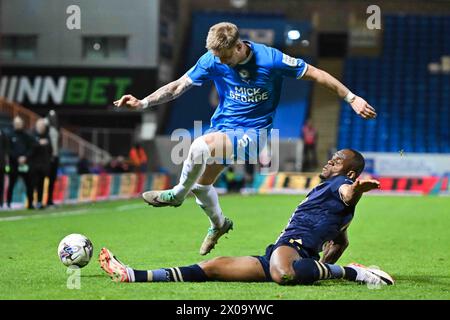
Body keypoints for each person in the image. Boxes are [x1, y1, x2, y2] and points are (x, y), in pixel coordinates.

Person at [113, 22, 377, 255]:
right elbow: (179, 85)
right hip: (223, 128)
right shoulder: (212, 59)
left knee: (197, 146)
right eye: (218, 57)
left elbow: (317, 73)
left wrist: (351, 98)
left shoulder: (271, 59)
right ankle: (219, 225)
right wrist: (143, 102)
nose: (222, 62)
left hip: (254, 134)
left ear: (239, 46)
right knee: (202, 186)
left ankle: (176, 194)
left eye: (226, 57)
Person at [99, 149, 394, 287]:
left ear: (350, 173)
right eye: (332, 157)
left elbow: (346, 194)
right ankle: (134, 275)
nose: (331, 161)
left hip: (291, 250)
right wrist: (324, 264)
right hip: (281, 252)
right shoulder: (333, 201)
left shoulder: (339, 186)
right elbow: (340, 238)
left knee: (286, 275)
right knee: (213, 267)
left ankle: (358, 273)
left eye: (338, 160)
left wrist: (358, 190)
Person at [6, 116, 35, 209]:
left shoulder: (27, 136)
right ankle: (8, 203)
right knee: (11, 184)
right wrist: (17, 158)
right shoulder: (9, 136)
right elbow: (8, 150)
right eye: (16, 123)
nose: (18, 124)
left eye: (19, 123)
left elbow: (31, 149)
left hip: (25, 164)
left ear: (22, 124)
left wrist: (25, 157)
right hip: (14, 164)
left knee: (29, 184)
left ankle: (30, 203)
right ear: (13, 124)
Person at [30, 118, 52, 209]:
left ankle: (39, 202)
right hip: (34, 165)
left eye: (43, 125)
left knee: (41, 185)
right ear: (36, 125)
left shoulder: (47, 136)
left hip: (43, 165)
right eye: (40, 125)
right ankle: (30, 202)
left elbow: (50, 150)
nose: (41, 127)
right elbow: (30, 149)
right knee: (32, 184)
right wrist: (38, 143)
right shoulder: (32, 135)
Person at [45, 110, 60, 207]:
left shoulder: (56, 129)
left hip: (55, 157)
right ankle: (40, 200)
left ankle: (49, 199)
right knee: (42, 179)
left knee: (52, 180)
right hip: (47, 158)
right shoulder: (45, 128)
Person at [0, 128, 9, 209]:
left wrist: (6, 165)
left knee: (1, 184)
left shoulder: (3, 133)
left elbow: (6, 150)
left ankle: (1, 202)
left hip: (2, 164)